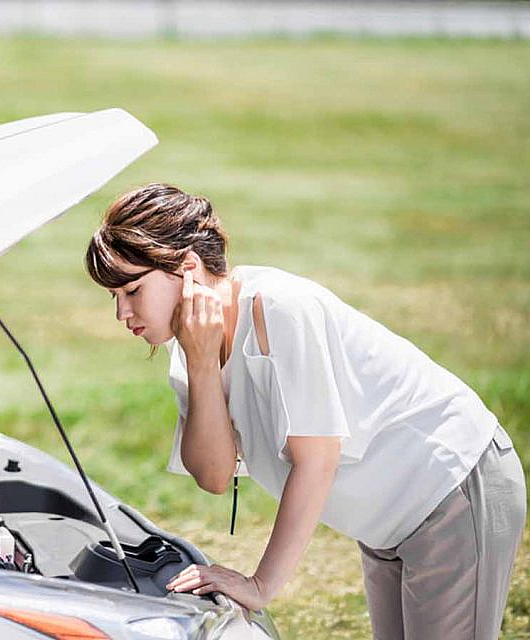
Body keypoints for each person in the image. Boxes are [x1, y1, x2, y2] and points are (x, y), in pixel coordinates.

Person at [84, 182, 525, 639]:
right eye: (114, 297)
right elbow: (214, 476)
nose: (122, 313)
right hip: (387, 525)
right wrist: (202, 364)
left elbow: (317, 460)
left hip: (450, 488)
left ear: (188, 269)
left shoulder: (279, 309)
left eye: (132, 290)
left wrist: (260, 585)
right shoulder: (190, 351)